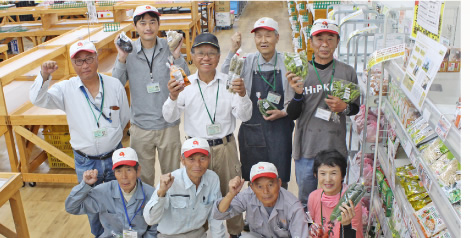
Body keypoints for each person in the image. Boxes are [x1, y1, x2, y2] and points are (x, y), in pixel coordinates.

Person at [30, 40, 130, 237]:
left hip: (114, 157)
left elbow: (124, 117)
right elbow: (38, 99)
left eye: (89, 59)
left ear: (97, 58)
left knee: (119, 203)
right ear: (72, 64)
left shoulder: (114, 85)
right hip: (86, 162)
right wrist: (44, 75)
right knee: (92, 207)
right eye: (79, 61)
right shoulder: (65, 89)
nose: (85, 65)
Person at [162, 33, 251, 237]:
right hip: (196, 152)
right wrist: (173, 97)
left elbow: (244, 116)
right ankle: (199, 232)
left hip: (225, 148)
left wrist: (243, 95)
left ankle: (235, 232)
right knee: (197, 196)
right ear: (192, 56)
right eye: (201, 53)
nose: (206, 58)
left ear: (219, 57)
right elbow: (169, 117)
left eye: (211, 53)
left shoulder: (230, 83)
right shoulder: (185, 84)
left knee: (233, 193)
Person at [112, 5, 190, 186]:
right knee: (143, 180)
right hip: (141, 128)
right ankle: (148, 213)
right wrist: (121, 58)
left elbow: (185, 81)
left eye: (152, 22)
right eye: (143, 23)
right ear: (136, 27)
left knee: (172, 178)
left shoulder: (168, 46)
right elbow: (116, 85)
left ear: (158, 24)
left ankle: (171, 212)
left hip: (168, 125)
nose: (148, 27)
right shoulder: (128, 50)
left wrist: (177, 56)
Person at [286, 19, 360, 209]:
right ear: (311, 42)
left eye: (330, 38)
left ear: (337, 42)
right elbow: (292, 113)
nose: (324, 44)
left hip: (335, 147)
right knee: (305, 200)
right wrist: (298, 94)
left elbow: (355, 108)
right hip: (306, 147)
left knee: (335, 201)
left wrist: (343, 107)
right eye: (319, 39)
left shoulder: (347, 72)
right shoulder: (299, 71)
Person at [221, 17, 295, 188]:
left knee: (278, 180)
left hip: (280, 131)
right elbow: (226, 73)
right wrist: (233, 50)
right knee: (255, 180)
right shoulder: (247, 61)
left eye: (268, 35)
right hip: (253, 131)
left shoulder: (287, 62)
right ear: (254, 39)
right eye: (258, 36)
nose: (263, 40)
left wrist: (284, 112)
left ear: (277, 37)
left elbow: (296, 98)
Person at [65, 147, 157, 238]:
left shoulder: (151, 194)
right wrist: (85, 185)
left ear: (138, 171)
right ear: (114, 173)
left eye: (128, 170)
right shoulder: (103, 192)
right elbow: (71, 207)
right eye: (119, 171)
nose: (124, 176)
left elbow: (156, 227)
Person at [143, 138, 226, 238]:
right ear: (182, 160)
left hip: (197, 234)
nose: (197, 164)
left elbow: (215, 217)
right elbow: (150, 220)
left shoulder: (213, 179)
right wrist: (161, 193)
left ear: (209, 158)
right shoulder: (170, 181)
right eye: (191, 159)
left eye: (202, 158)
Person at [213, 162, 308, 238]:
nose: (265, 191)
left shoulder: (293, 207)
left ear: (279, 183)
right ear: (252, 187)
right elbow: (219, 214)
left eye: (270, 185)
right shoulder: (248, 195)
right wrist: (231, 194)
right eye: (259, 186)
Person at [307, 150, 363, 238]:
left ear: (342, 176)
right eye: (323, 174)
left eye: (333, 173)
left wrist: (347, 225)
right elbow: (311, 224)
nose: (328, 179)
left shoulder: (351, 202)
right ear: (315, 175)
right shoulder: (313, 197)